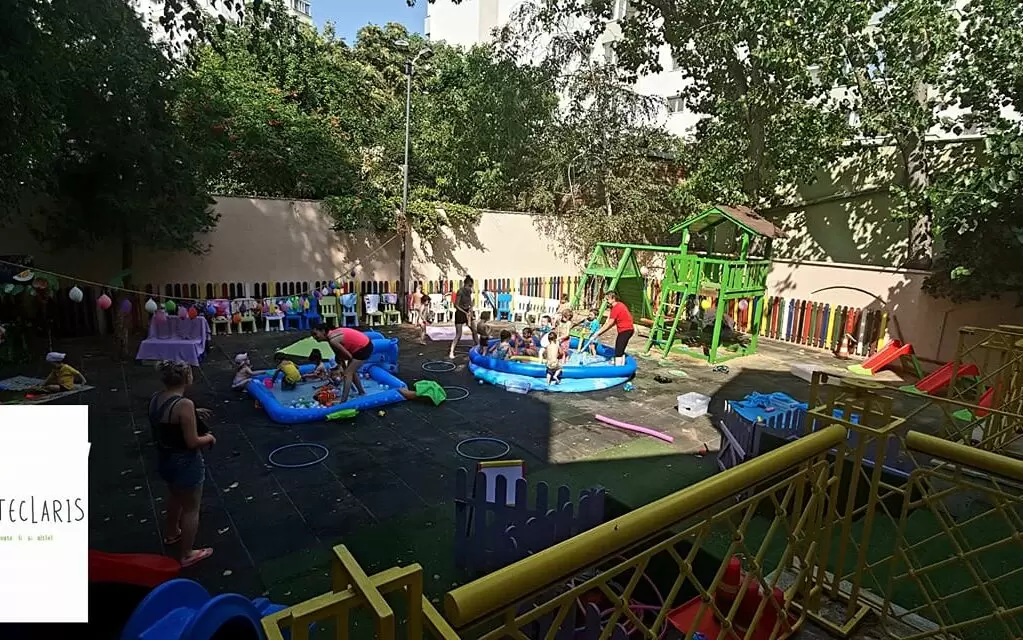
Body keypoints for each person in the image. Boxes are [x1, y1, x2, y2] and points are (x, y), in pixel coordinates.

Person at [149, 360, 215, 568]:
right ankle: (187, 554)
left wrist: (194, 415)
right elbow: (192, 441)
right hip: (185, 461)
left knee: (176, 496)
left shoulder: (157, 398)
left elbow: (166, 422)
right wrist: (209, 438)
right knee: (191, 507)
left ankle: (171, 533)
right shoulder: (184, 405)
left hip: (165, 458)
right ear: (187, 378)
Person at [311, 324, 374, 403]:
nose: (314, 337)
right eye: (312, 335)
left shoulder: (333, 340)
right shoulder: (332, 337)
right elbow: (340, 355)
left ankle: (343, 401)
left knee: (348, 373)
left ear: (323, 331)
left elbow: (349, 356)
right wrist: (341, 363)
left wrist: (344, 368)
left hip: (364, 347)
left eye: (315, 334)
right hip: (362, 345)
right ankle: (361, 392)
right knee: (350, 371)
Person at [591, 290, 635, 366]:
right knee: (620, 349)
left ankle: (617, 369)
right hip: (629, 330)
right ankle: (622, 366)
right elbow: (613, 323)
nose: (606, 301)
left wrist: (597, 333)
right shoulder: (620, 305)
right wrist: (600, 333)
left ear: (613, 298)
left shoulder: (616, 308)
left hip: (625, 330)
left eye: (607, 299)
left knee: (618, 350)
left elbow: (609, 323)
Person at [449, 275, 476, 360]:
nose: (470, 288)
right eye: (469, 286)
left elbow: (470, 303)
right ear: (465, 284)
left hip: (467, 312)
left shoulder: (470, 292)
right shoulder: (460, 291)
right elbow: (456, 305)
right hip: (460, 313)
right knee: (459, 334)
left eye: (471, 286)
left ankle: (478, 348)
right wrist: (465, 312)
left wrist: (471, 310)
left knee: (474, 330)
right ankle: (451, 351)